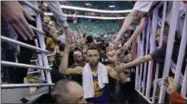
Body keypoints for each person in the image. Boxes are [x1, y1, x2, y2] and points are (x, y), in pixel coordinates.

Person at [60, 40, 126, 104]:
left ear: (99, 56)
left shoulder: (106, 69)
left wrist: (115, 62)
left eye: (95, 55)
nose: (93, 58)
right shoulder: (81, 70)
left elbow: (123, 80)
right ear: (86, 57)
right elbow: (63, 71)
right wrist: (67, 50)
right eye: (90, 56)